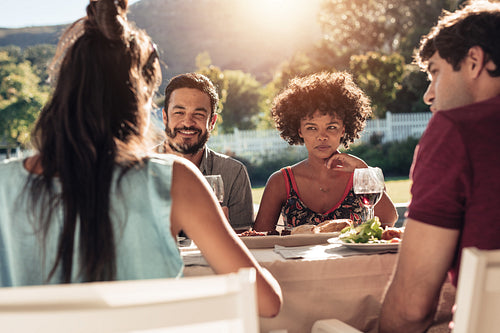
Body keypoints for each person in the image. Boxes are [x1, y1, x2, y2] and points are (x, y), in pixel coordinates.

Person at [0, 0, 282, 317]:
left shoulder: (4, 183)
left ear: (64, 90)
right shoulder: (174, 180)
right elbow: (267, 303)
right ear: (142, 97)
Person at [379, 2, 500, 332]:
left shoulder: (457, 131)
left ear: (474, 61)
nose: (429, 96)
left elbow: (410, 310)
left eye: (435, 71)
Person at [253, 71, 398, 232]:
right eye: (312, 128)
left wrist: (363, 169)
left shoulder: (360, 175)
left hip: (353, 258)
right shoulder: (281, 182)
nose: (322, 136)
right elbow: (261, 236)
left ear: (343, 129)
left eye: (331, 127)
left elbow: (389, 220)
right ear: (299, 130)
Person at [161, 73, 254, 232]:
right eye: (179, 112)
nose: (188, 123)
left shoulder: (233, 173)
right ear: (165, 117)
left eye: (198, 114)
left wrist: (225, 231)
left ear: (211, 122)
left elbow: (245, 240)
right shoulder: (138, 169)